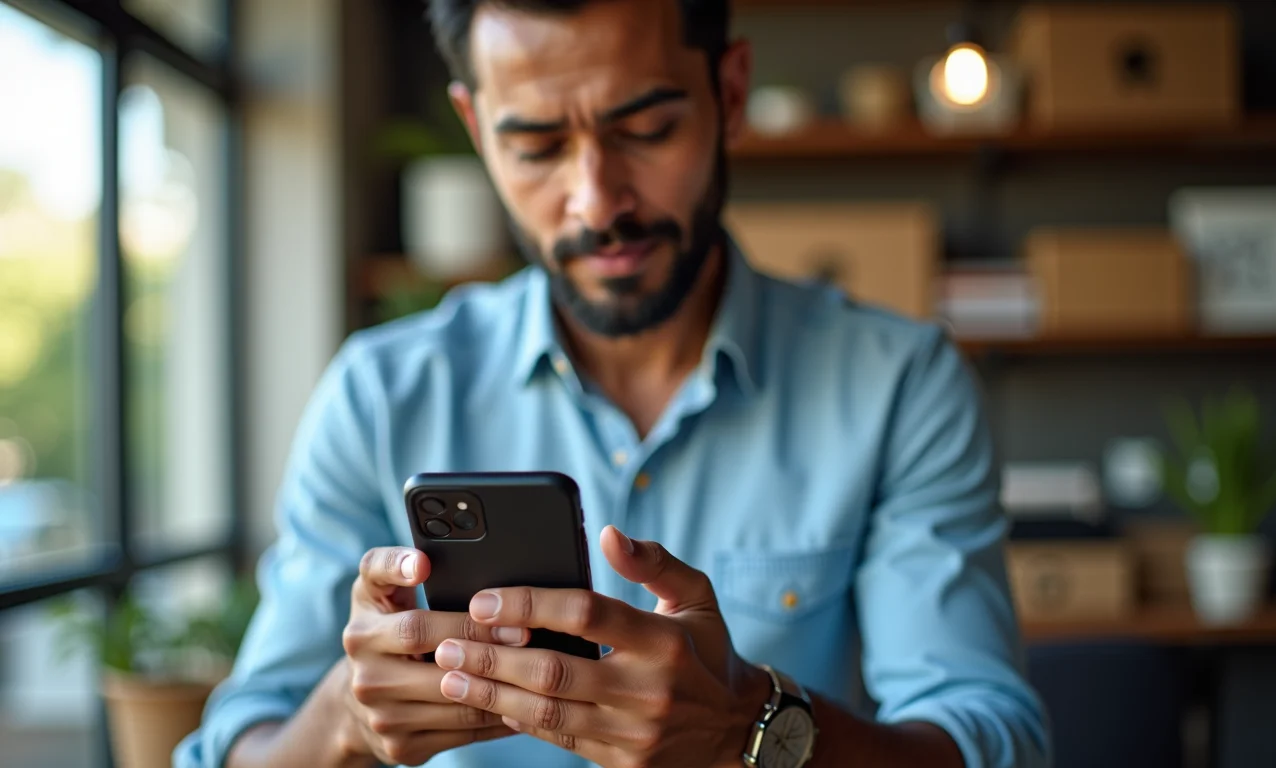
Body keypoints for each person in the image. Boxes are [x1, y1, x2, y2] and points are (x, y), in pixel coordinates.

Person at [175, 1, 1049, 766]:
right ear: (478, 132)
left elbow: (988, 741)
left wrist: (751, 728)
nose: (597, 202)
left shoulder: (899, 385)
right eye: (537, 145)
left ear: (730, 93)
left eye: (646, 129)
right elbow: (234, 750)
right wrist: (344, 718)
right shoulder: (379, 394)